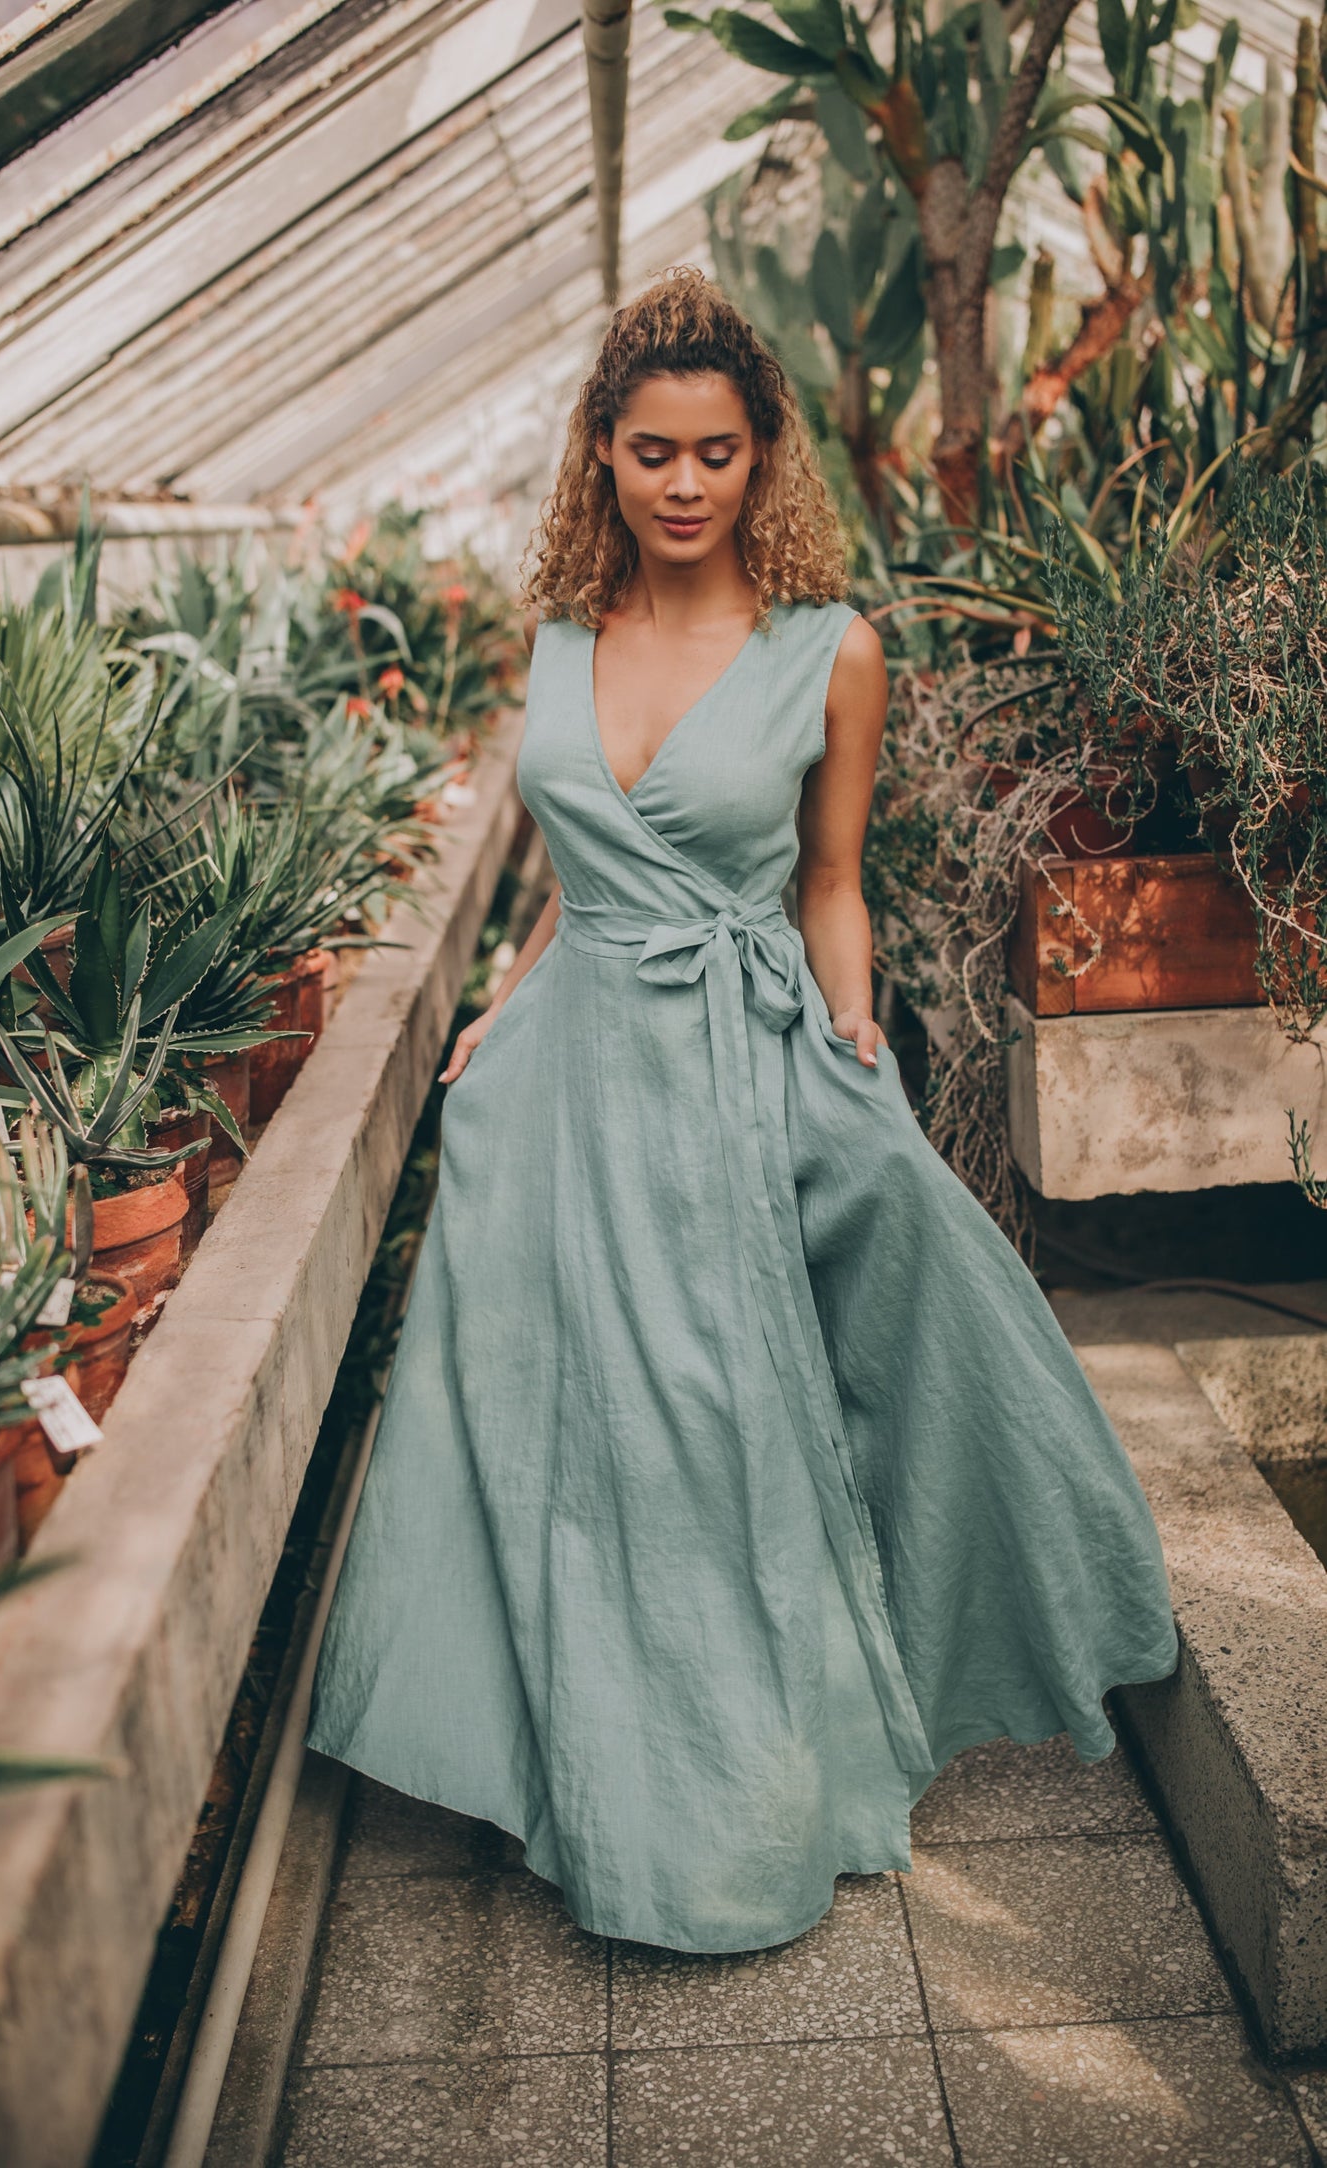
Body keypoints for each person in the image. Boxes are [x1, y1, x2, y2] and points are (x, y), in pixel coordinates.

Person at [307, 267, 1177, 1954]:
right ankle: (593, 1765)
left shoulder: (827, 652)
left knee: (720, 1416)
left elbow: (828, 882)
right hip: (569, 1076)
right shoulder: (560, 642)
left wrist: (851, 1022)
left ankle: (745, 1783)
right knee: (575, 1429)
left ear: (762, 451)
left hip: (733, 1059)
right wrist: (498, 1007)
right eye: (652, 451)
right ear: (602, 452)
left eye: (716, 451)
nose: (684, 482)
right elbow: (575, 880)